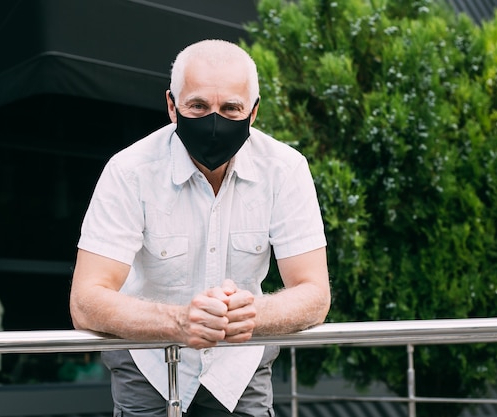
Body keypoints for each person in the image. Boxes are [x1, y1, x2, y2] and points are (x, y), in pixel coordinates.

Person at [70, 39, 331, 417]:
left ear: (253, 112)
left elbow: (314, 293)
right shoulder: (129, 171)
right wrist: (178, 321)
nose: (214, 121)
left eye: (230, 108)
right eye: (198, 106)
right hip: (148, 366)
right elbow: (85, 301)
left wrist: (252, 314)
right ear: (172, 107)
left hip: (241, 367)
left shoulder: (285, 169)